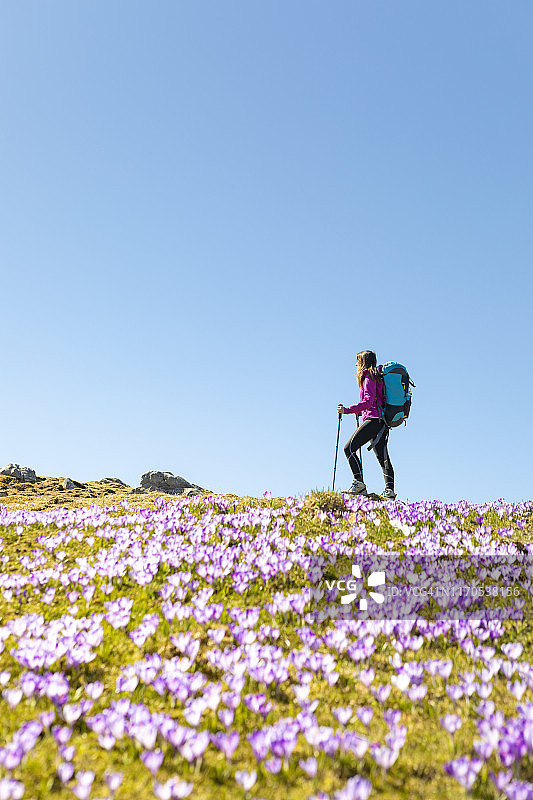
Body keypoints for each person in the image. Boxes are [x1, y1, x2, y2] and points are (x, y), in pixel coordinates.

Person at [337, 350, 396, 498]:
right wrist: (360, 412)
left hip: (373, 420)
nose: (356, 364)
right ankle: (389, 491)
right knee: (383, 456)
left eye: (357, 361)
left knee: (348, 448)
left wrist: (347, 410)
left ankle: (359, 484)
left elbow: (368, 401)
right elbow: (376, 401)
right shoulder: (377, 376)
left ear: (363, 362)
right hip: (381, 421)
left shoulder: (368, 376)